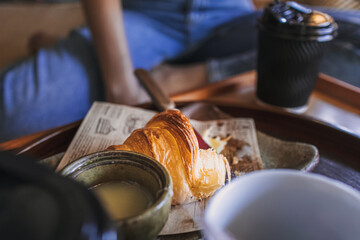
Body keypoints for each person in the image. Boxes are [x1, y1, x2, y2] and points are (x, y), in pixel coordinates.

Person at [0, 0, 257, 142]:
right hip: (150, 15)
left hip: (230, 15)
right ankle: (84, 51)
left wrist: (174, 81)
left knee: (292, 51)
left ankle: (170, 78)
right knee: (14, 115)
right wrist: (121, 86)